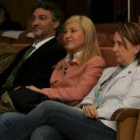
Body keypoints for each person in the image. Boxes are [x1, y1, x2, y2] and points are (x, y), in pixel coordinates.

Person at [1, 22, 140, 140]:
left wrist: (97, 112)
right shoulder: (109, 71)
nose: (114, 49)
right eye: (114, 43)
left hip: (111, 128)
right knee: (42, 132)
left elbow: (128, 105)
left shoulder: (138, 72)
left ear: (136, 48)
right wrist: (87, 106)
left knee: (49, 107)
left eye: (120, 44)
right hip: (89, 119)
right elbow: (89, 97)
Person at [0, 14, 106, 137]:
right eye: (65, 32)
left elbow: (79, 92)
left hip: (73, 114)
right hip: (49, 111)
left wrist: (40, 91)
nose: (67, 36)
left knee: (41, 132)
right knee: (6, 119)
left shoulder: (95, 61)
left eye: (73, 31)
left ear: (87, 35)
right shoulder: (62, 63)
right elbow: (54, 90)